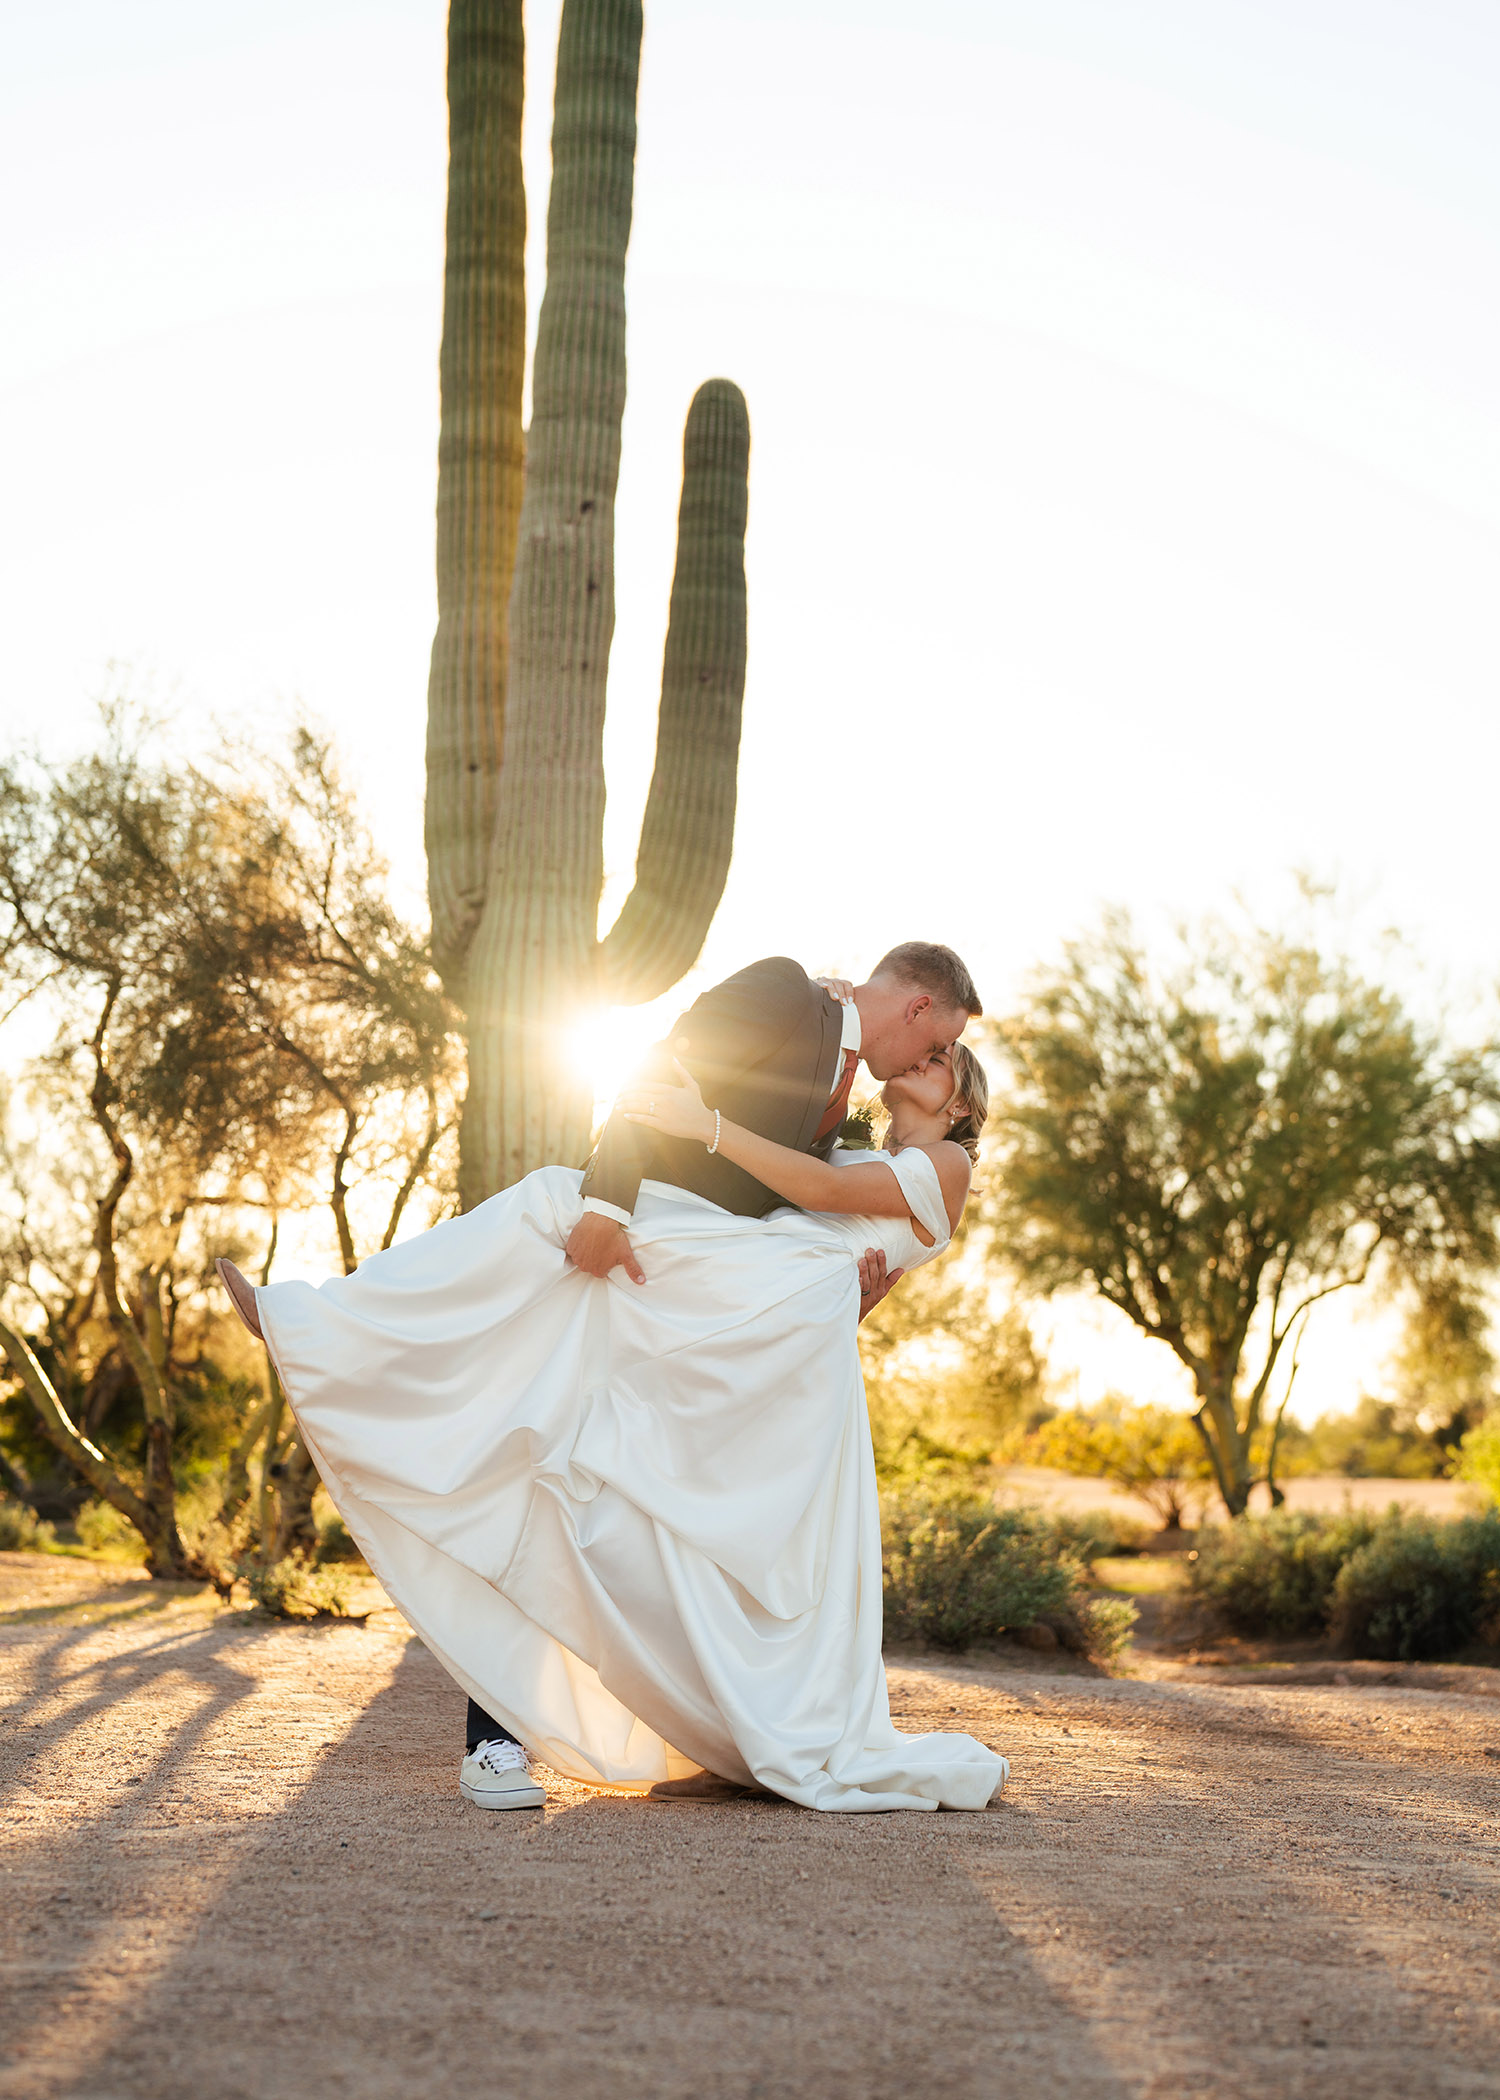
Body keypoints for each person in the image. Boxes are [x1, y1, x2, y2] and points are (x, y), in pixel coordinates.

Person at [218, 942, 1009, 1813]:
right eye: (934, 1046)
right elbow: (684, 1079)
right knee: (557, 1257)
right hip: (728, 1300)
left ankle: (320, 1327)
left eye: (943, 1065)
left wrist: (697, 1153)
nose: (925, 1063)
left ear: (961, 1097)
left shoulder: (938, 1163)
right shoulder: (810, 1032)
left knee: (550, 1230)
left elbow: (817, 1198)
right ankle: (321, 1327)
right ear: (918, 1010)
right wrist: (613, 1199)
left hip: (744, 1317)